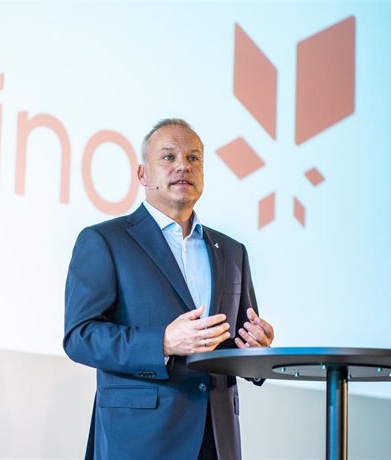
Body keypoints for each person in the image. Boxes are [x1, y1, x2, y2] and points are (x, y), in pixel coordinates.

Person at [63, 119, 275, 460]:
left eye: (194, 158)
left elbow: (236, 341)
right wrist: (162, 342)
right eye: (168, 157)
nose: (183, 166)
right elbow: (80, 336)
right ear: (143, 174)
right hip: (141, 439)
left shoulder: (233, 251)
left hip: (216, 438)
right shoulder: (106, 241)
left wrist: (255, 349)